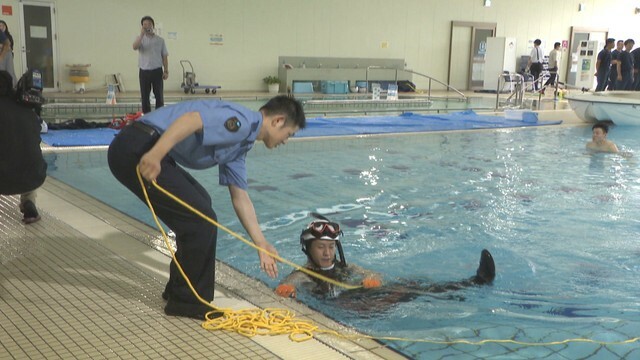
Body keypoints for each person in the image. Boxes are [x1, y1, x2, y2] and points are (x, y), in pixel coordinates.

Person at [108, 95, 306, 319]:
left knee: (202, 204)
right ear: (278, 121)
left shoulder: (241, 145)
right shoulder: (241, 121)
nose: (286, 140)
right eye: (289, 134)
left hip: (145, 147)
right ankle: (188, 302)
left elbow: (240, 197)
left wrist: (260, 243)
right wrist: (155, 155)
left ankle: (178, 288)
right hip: (138, 149)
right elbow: (192, 120)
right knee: (201, 220)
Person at [275, 215, 496, 303]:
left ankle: (468, 285)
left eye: (331, 247)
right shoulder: (303, 274)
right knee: (408, 293)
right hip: (350, 308)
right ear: (309, 250)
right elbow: (289, 282)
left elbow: (370, 273)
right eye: (321, 247)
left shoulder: (347, 266)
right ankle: (468, 287)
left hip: (363, 297)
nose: (326, 253)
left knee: (412, 285)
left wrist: (373, 279)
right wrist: (285, 289)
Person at [0, 70, 47, 224]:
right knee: (27, 155)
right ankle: (29, 204)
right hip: (32, 176)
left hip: (4, 179)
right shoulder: (27, 107)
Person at [133, 15, 168, 114]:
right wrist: (141, 35)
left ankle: (159, 116)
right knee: (145, 96)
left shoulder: (160, 40)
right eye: (144, 24)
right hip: (144, 71)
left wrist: (166, 70)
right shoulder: (140, 39)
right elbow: (134, 47)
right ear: (142, 26)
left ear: (153, 25)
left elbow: (164, 56)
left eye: (149, 24)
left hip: (157, 71)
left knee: (159, 96)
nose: (147, 26)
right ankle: (147, 118)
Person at [0, 20, 16, 86]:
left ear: (5, 26)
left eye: (1, 25)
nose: (0, 27)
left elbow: (9, 46)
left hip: (7, 55)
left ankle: (13, 86)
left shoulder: (8, 36)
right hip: (2, 54)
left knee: (10, 71)